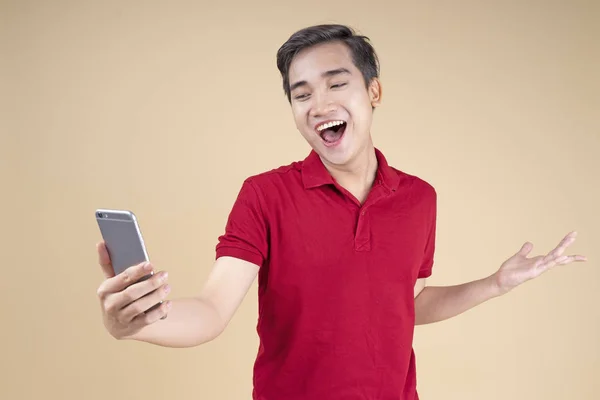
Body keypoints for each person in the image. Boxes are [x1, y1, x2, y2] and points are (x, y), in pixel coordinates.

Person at [95, 24, 587, 399]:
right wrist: (139, 323)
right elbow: (211, 311)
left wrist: (496, 283)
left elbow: (404, 303)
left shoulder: (419, 198)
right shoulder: (265, 195)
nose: (318, 103)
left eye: (335, 84)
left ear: (373, 91)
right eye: (301, 93)